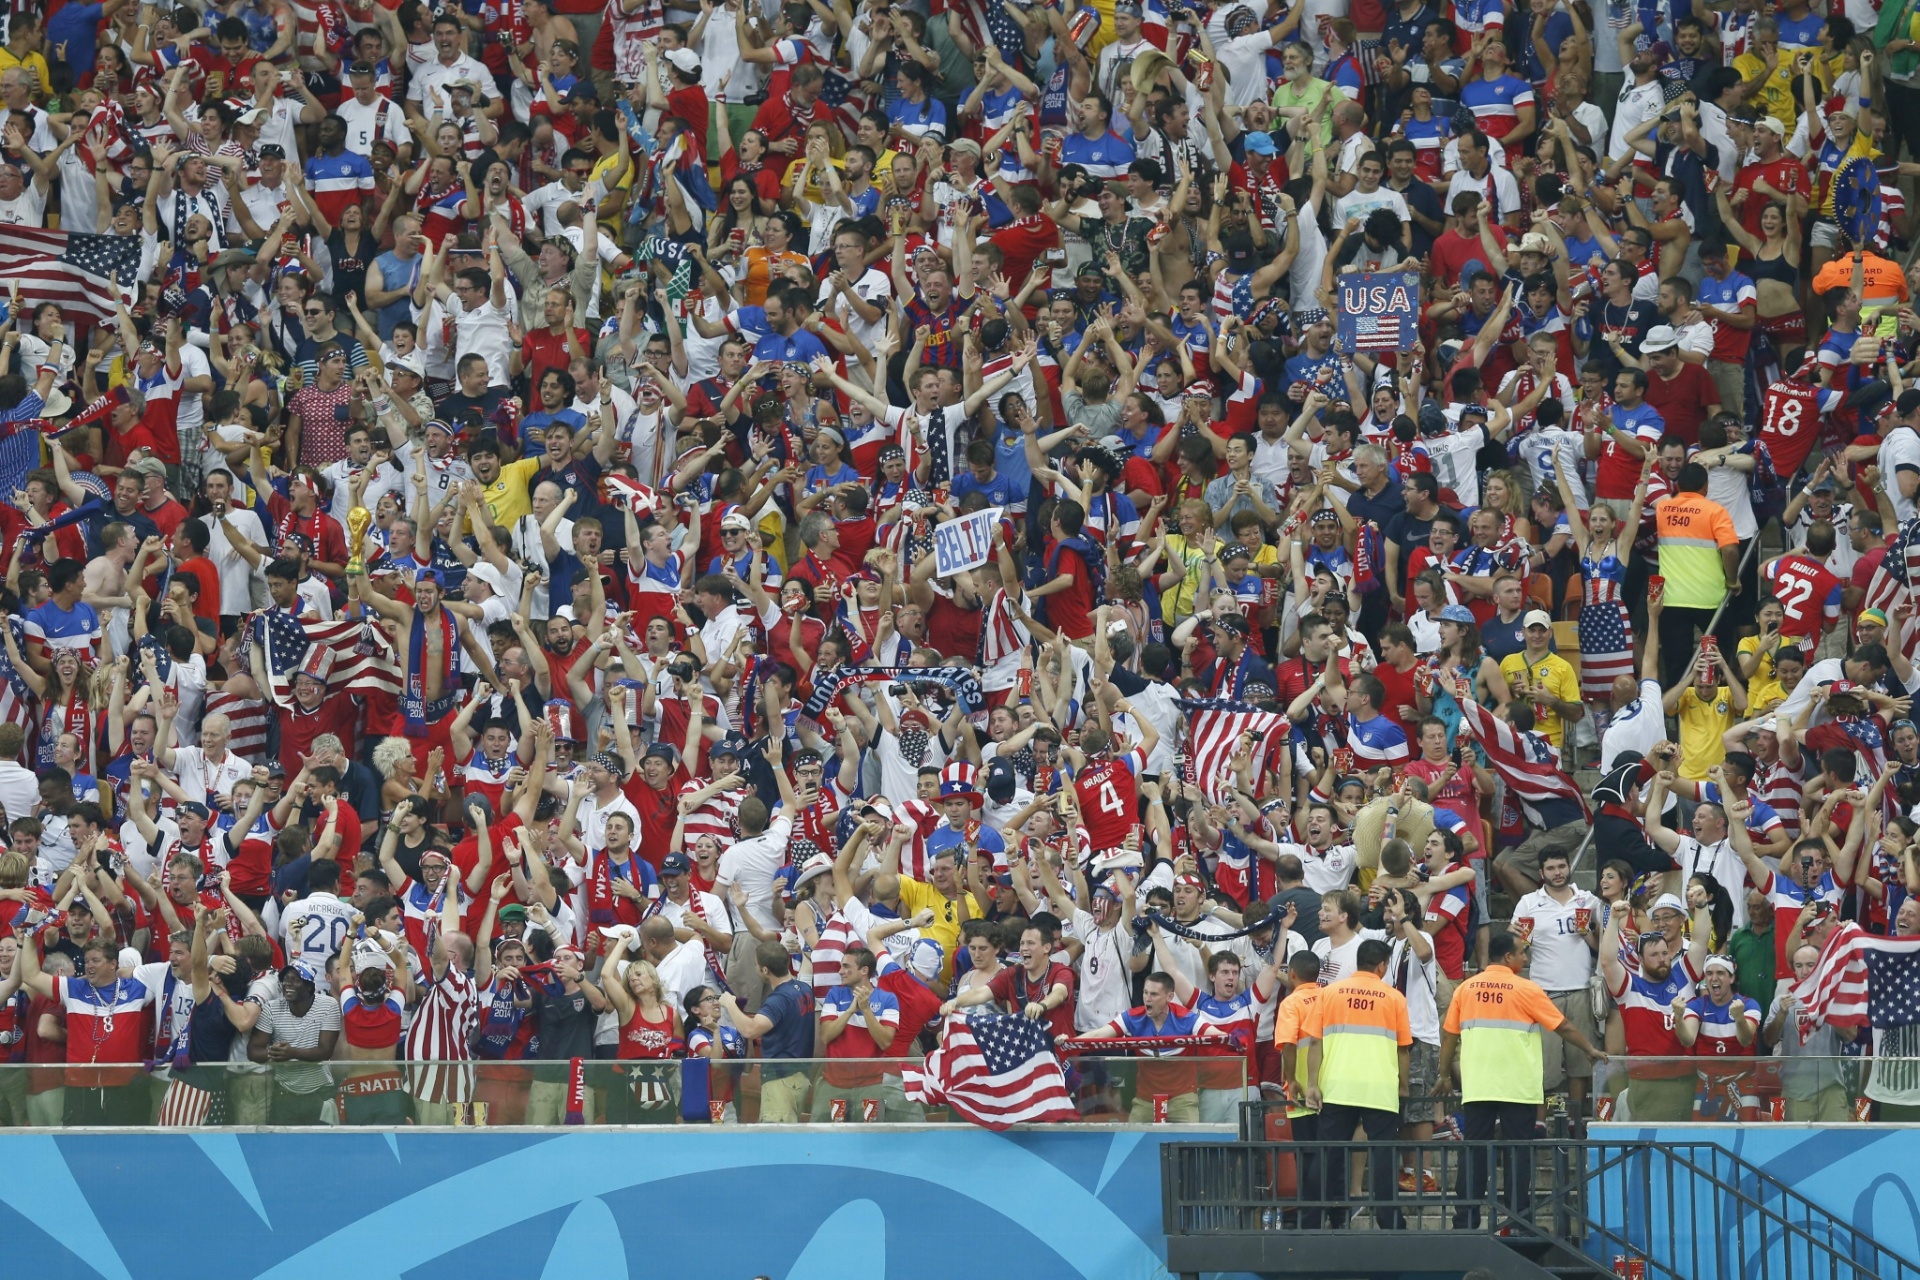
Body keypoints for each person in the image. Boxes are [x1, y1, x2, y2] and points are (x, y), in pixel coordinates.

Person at [1439, 930, 1605, 1227]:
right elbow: (1563, 1025)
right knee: (1518, 1153)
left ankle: (1465, 1217)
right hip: (1518, 1087)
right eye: (1522, 953)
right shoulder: (1526, 989)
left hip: (1478, 1085)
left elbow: (1449, 1034)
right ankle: (1518, 1219)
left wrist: (1444, 1075)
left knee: (1474, 1151)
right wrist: (1589, 1048)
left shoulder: (1466, 988)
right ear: (1508, 957)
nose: (1525, 958)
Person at [1299, 938, 1410, 1229]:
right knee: (1383, 1156)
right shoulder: (1394, 997)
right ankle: (1390, 1224)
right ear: (1383, 965)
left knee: (1326, 1156)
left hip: (1338, 1086)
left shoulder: (1329, 993)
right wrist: (1403, 1085)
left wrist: (1312, 1083)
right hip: (1380, 1088)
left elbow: (1314, 1042)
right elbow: (1402, 1049)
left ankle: (1310, 1222)